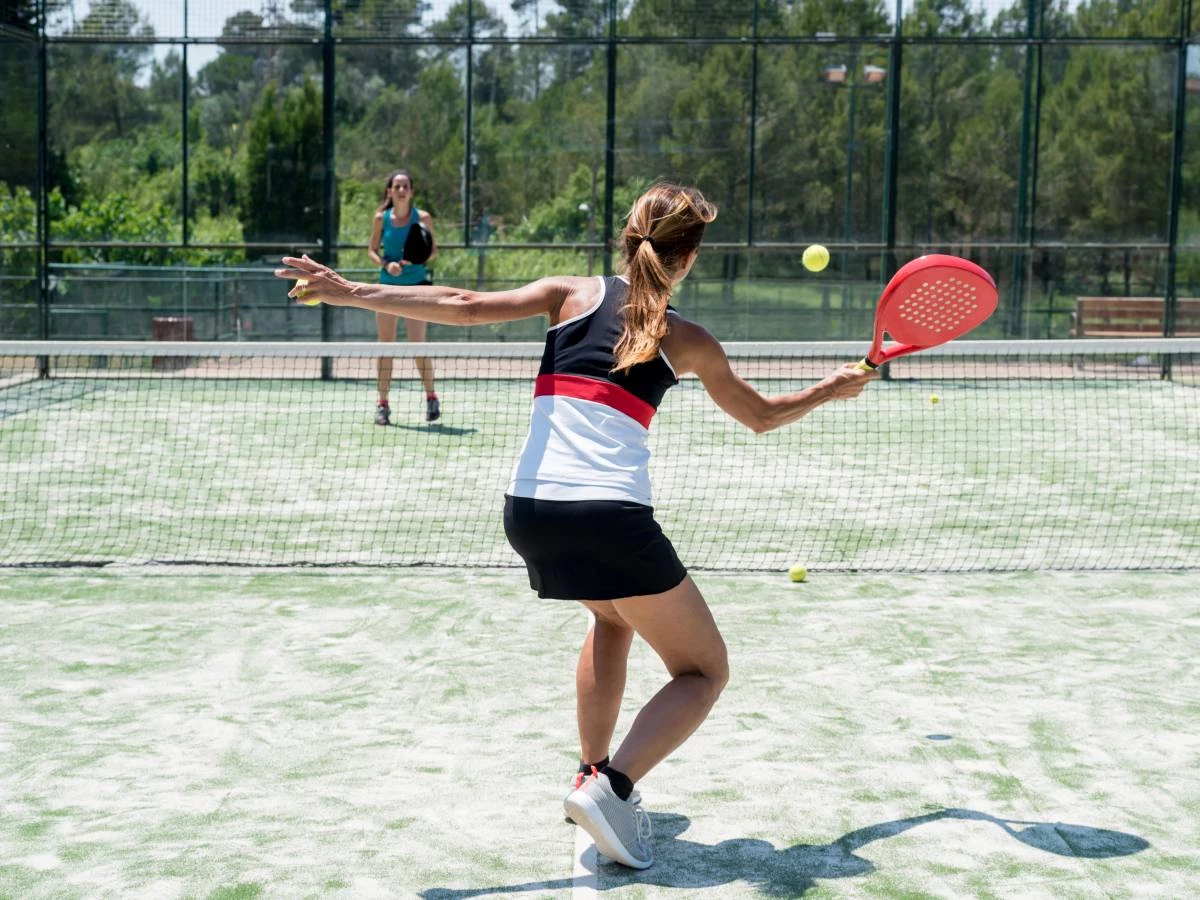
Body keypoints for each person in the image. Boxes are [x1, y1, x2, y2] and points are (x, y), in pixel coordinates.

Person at [276, 182, 876, 870]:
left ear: (627, 238)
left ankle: (589, 771)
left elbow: (463, 304)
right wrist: (831, 388)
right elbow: (763, 417)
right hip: (607, 516)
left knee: (613, 619)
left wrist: (349, 291)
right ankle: (614, 786)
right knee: (704, 670)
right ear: (688, 259)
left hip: (529, 511)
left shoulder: (571, 294)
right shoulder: (688, 339)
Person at [367, 169, 440, 424]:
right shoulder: (380, 219)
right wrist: (387, 265)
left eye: (405, 186)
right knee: (385, 347)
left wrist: (414, 259)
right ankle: (382, 405)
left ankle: (431, 398)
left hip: (416, 289)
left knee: (418, 345)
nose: (400, 190)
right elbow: (372, 251)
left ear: (411, 191)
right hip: (387, 290)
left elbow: (432, 252)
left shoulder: (423, 218)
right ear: (389, 191)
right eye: (396, 186)